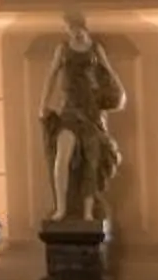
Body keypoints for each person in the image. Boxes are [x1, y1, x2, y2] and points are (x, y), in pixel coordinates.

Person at [39, 12, 126, 226]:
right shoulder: (63, 48)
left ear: (84, 28)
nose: (73, 33)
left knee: (91, 159)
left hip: (91, 111)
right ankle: (61, 207)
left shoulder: (95, 49)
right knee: (62, 157)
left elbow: (109, 72)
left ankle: (88, 212)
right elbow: (51, 75)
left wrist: (120, 93)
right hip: (70, 110)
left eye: (76, 29)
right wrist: (43, 104)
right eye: (69, 30)